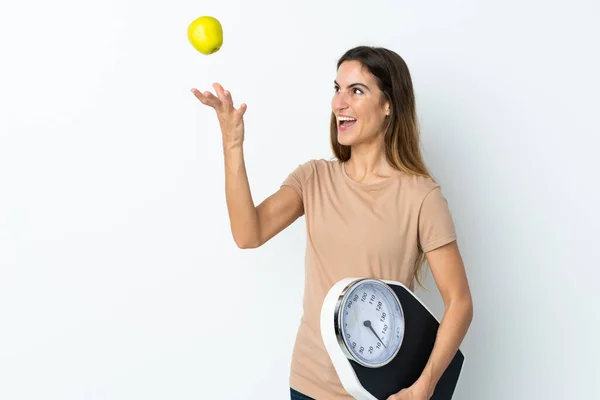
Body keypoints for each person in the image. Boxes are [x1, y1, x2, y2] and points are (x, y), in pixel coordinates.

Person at [191, 45, 473, 400]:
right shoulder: (314, 179)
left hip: (382, 391)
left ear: (389, 105)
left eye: (356, 91)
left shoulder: (421, 196)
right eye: (337, 88)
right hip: (309, 384)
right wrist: (233, 145)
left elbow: (460, 302)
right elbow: (249, 234)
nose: (339, 103)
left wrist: (423, 387)